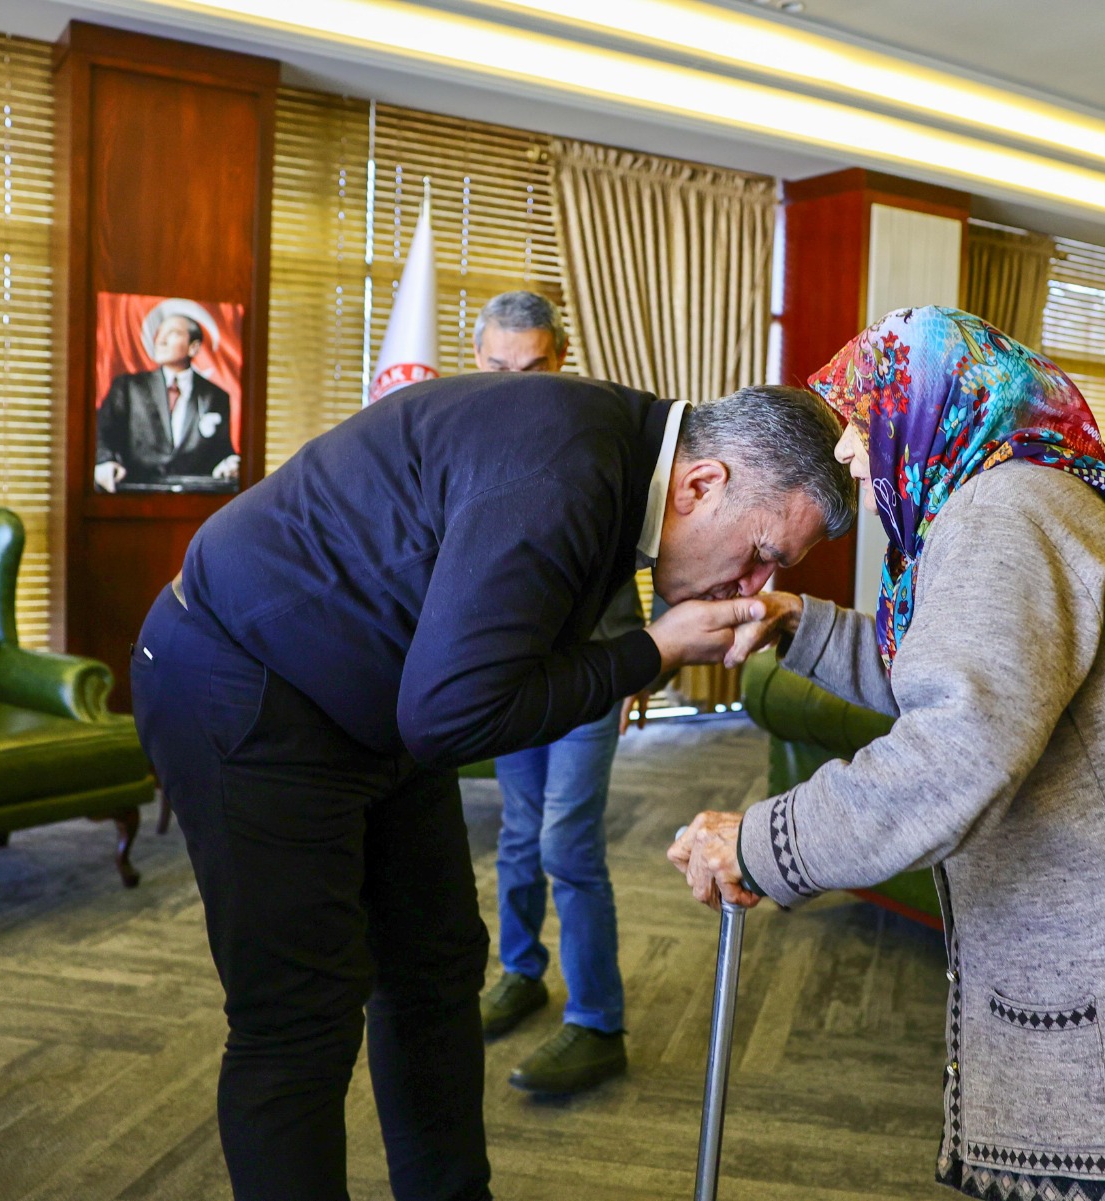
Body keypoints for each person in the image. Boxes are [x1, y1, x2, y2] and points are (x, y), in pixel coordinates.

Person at [131, 372, 854, 1201]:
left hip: (373, 703)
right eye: (763, 553)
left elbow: (451, 695)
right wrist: (651, 652)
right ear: (701, 483)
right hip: (241, 682)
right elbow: (452, 715)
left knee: (436, 966)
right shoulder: (570, 471)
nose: (752, 585)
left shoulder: (618, 454)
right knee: (299, 1015)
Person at [671, 308, 1105, 1201]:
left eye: (864, 420)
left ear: (935, 406)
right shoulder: (1011, 495)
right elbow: (963, 673)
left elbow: (954, 751)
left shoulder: (1002, 513)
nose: (849, 454)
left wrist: (759, 841)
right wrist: (799, 624)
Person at [467, 290, 646, 1094]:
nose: (515, 382)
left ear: (559, 358)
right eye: (499, 366)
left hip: (591, 675)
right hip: (516, 676)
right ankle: (521, 971)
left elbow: (640, 555)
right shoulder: (466, 434)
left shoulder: (593, 431)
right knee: (516, 835)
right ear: (479, 360)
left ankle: (597, 1023)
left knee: (566, 846)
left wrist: (640, 667)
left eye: (532, 365)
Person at [95, 306, 241, 492]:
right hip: (134, 494)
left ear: (193, 347)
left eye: (172, 333)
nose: (160, 340)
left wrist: (229, 462)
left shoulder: (216, 395)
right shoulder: (128, 386)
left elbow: (221, 450)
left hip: (194, 498)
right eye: (159, 333)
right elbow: (103, 433)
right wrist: (105, 461)